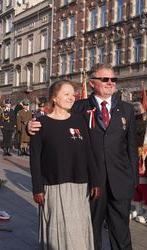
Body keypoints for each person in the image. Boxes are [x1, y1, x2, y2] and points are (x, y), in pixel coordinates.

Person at [28, 63, 139, 250]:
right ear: (93, 82)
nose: (110, 83)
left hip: (120, 181)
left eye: (113, 79)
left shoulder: (127, 109)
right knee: (91, 230)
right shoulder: (79, 107)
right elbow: (55, 120)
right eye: (105, 79)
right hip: (92, 182)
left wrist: (133, 179)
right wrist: (29, 126)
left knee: (122, 233)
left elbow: (131, 147)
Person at [30, 80, 100, 249]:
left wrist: (95, 181)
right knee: (58, 232)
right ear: (54, 98)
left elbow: (88, 152)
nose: (71, 97)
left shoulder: (80, 120)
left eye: (73, 94)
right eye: (66, 94)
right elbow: (35, 159)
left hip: (79, 186)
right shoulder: (41, 124)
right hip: (54, 187)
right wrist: (37, 188)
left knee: (78, 232)